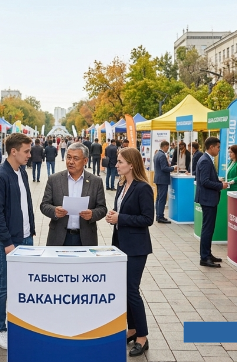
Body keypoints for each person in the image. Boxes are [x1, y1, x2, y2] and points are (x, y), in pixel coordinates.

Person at [0, 133, 36, 350]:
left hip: (26, 237)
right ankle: (0, 330)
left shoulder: (22, 172)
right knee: (4, 285)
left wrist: (30, 232)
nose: (29, 155)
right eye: (26, 151)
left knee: (23, 284)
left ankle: (20, 325)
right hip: (9, 241)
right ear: (13, 151)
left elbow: (25, 204)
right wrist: (7, 243)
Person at [105, 147, 154, 357]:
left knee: (132, 291)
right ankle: (132, 329)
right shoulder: (122, 185)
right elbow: (124, 212)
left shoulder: (143, 188)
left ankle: (142, 337)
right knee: (124, 290)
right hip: (121, 244)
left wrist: (121, 219)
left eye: (120, 162)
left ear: (131, 164)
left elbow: (147, 219)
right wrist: (114, 215)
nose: (116, 165)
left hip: (136, 248)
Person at [40, 142, 107, 246]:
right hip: (59, 236)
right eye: (69, 157)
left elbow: (102, 208)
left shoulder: (95, 181)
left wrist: (92, 214)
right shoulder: (54, 179)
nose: (71, 162)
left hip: (85, 238)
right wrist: (54, 211)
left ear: (85, 161)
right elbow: (44, 205)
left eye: (75, 158)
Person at [195, 137, 228, 267]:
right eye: (218, 147)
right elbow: (205, 181)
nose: (219, 150)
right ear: (211, 147)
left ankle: (208, 254)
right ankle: (204, 257)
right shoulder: (205, 161)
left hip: (209, 199)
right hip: (207, 199)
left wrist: (217, 180)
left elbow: (207, 179)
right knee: (207, 229)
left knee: (209, 228)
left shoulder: (207, 159)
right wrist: (220, 186)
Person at [153, 141, 175, 224]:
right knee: (162, 198)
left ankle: (158, 215)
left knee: (158, 198)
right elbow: (164, 168)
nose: (168, 149)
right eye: (167, 147)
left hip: (158, 178)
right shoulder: (162, 155)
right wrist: (173, 168)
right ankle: (160, 216)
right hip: (162, 179)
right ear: (165, 146)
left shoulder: (157, 154)